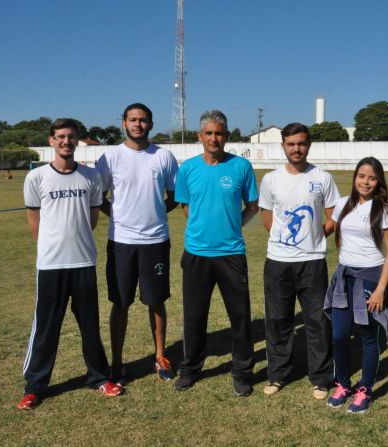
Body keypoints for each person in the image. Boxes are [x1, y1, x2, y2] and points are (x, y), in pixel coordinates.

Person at [18, 118, 122, 410]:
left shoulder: (91, 177)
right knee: (47, 327)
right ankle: (34, 386)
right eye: (61, 137)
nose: (66, 141)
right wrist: (51, 249)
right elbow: (34, 222)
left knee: (90, 325)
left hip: (83, 262)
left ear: (78, 141)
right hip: (51, 265)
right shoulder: (36, 178)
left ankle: (99, 377)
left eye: (71, 137)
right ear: (51, 141)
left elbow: (91, 220)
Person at [174, 109, 259, 396]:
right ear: (200, 137)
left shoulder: (241, 167)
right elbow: (186, 207)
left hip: (231, 253)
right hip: (197, 254)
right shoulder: (187, 169)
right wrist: (203, 229)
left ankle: (243, 372)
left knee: (239, 317)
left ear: (227, 135)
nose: (214, 138)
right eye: (208, 133)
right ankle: (190, 368)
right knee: (195, 316)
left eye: (219, 133)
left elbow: (252, 206)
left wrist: (233, 226)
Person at [96, 103, 178, 383]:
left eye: (143, 120)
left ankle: (160, 356)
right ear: (123, 124)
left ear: (151, 124)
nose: (138, 125)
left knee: (155, 301)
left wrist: (153, 216)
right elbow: (99, 198)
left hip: (156, 241)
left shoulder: (164, 156)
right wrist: (119, 218)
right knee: (121, 302)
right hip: (121, 242)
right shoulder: (109, 157)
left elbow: (173, 197)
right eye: (133, 120)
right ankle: (117, 362)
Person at [258, 123, 339, 400]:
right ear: (283, 145)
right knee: (278, 320)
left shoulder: (323, 178)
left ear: (309, 145)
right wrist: (288, 240)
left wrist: (313, 237)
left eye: (301, 143)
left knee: (317, 320)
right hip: (278, 262)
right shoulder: (271, 179)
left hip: (313, 261)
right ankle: (278, 374)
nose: (296, 149)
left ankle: (320, 378)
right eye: (291, 144)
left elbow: (332, 218)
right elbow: (268, 219)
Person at [323, 157, 388, 413]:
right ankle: (343, 384)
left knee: (368, 338)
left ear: (378, 181)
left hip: (370, 278)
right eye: (361, 176)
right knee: (339, 335)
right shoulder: (344, 203)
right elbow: (327, 228)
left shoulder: (385, 209)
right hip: (344, 277)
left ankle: (364, 390)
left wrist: (380, 288)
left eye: (371, 177)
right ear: (354, 177)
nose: (365, 182)